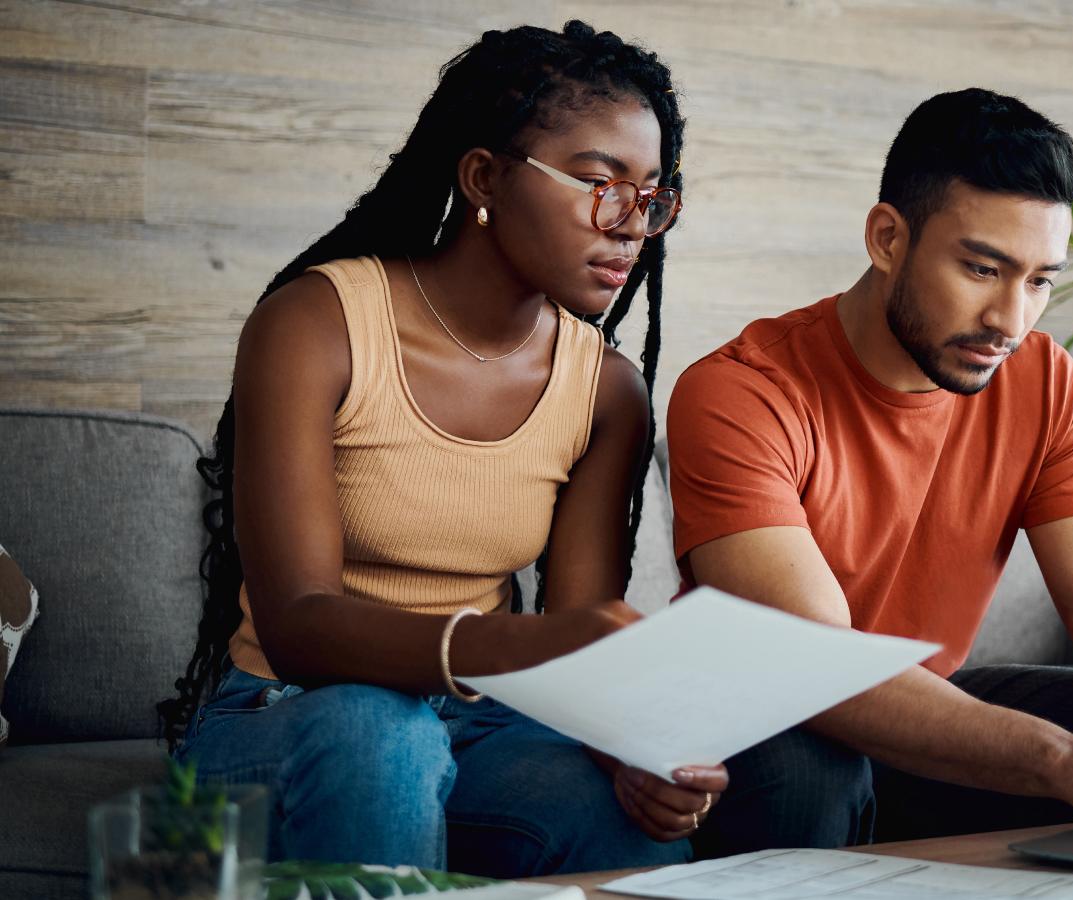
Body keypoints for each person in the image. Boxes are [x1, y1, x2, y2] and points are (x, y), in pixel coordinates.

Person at [157, 21, 727, 877]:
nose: (629, 225)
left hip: (478, 724)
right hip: (286, 713)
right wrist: (527, 649)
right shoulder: (316, 324)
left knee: (626, 824)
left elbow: (579, 635)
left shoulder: (607, 391)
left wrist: (631, 757)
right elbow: (299, 625)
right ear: (484, 178)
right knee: (380, 735)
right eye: (598, 182)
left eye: (650, 196)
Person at [667, 88, 1073, 854]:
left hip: (925, 714)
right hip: (766, 720)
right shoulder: (741, 392)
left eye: (1040, 281)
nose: (1010, 319)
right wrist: (1070, 763)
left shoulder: (1045, 381)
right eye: (981, 269)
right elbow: (818, 667)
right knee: (816, 774)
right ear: (887, 238)